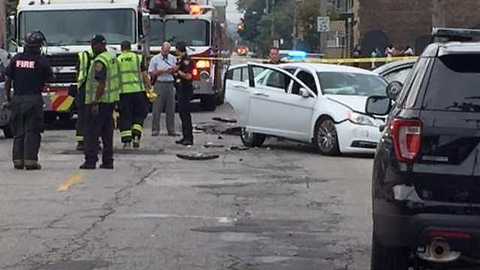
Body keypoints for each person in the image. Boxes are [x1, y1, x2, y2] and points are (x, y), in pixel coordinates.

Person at [4, 31, 52, 170]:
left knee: (18, 131)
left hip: (17, 99)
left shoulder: (16, 59)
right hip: (33, 99)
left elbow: (8, 79)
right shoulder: (41, 61)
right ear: (38, 46)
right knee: (32, 131)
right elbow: (50, 77)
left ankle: (18, 160)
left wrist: (9, 98)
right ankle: (30, 160)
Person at [80, 35, 120, 170]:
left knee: (91, 132)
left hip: (99, 102)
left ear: (100, 45)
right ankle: (108, 161)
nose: (92, 47)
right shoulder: (112, 57)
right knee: (107, 132)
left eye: (93, 44)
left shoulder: (100, 61)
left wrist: (95, 102)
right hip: (110, 101)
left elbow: (101, 83)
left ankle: (90, 161)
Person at [117, 41, 151, 149]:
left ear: (121, 48)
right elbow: (144, 75)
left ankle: (127, 142)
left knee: (125, 116)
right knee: (139, 115)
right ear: (130, 48)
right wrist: (149, 87)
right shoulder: (137, 58)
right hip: (138, 92)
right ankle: (136, 136)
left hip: (123, 93)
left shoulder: (117, 60)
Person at [148, 42, 177, 137]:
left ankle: (171, 130)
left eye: (168, 51)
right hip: (159, 83)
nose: (166, 53)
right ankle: (155, 130)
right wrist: (161, 72)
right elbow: (151, 73)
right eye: (165, 51)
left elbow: (176, 70)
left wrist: (173, 70)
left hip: (170, 83)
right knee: (157, 108)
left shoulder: (173, 58)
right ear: (161, 49)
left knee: (171, 109)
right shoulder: (155, 59)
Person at [174, 41, 194, 146]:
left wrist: (178, 72)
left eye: (176, 49)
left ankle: (189, 138)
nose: (175, 51)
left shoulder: (187, 61)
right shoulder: (181, 60)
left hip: (186, 89)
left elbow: (188, 76)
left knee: (186, 114)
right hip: (180, 89)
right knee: (182, 114)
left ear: (179, 49)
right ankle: (185, 136)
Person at [75, 49, 94, 151]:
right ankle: (93, 141)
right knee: (94, 117)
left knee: (82, 116)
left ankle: (81, 142)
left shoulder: (82, 57)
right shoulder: (103, 57)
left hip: (83, 88)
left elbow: (78, 72)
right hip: (95, 90)